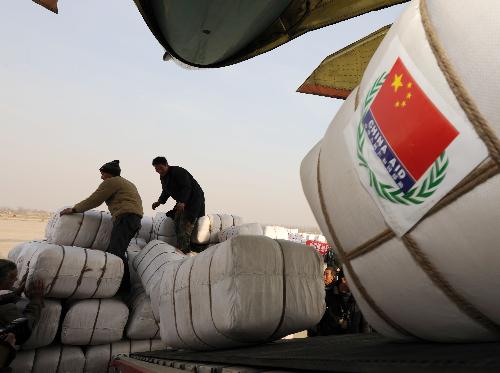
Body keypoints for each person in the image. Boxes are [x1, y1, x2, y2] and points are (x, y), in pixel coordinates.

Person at [60, 160, 143, 291]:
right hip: (133, 219)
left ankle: (124, 287)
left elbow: (95, 199)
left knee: (116, 253)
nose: (101, 177)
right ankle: (121, 285)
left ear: (109, 173)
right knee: (116, 251)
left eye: (103, 174)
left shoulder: (112, 182)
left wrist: (75, 209)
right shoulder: (127, 183)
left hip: (126, 218)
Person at [151, 157, 205, 254]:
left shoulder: (178, 171)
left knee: (185, 224)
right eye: (156, 169)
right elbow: (166, 191)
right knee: (176, 222)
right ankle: (183, 248)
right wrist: (159, 202)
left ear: (166, 165)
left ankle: (185, 251)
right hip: (182, 202)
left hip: (193, 201)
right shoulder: (163, 176)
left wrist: (182, 202)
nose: (159, 171)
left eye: (160, 168)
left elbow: (186, 187)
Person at [0, 259, 44, 369]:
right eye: (11, 277)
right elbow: (24, 328)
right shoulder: (6, 311)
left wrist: (14, 294)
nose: (15, 279)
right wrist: (36, 300)